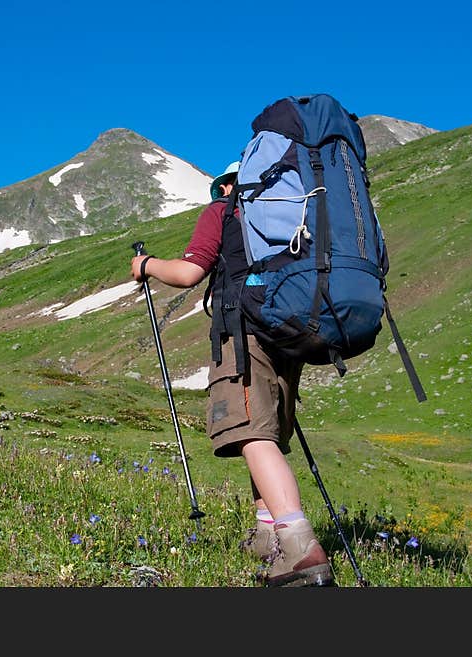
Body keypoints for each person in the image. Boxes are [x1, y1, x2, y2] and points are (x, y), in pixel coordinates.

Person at [129, 161, 335, 588]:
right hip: (288, 330)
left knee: (252, 436)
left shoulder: (224, 210)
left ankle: (300, 547)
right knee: (266, 431)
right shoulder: (290, 209)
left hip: (242, 332)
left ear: (227, 185)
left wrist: (147, 264)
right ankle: (266, 537)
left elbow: (189, 273)